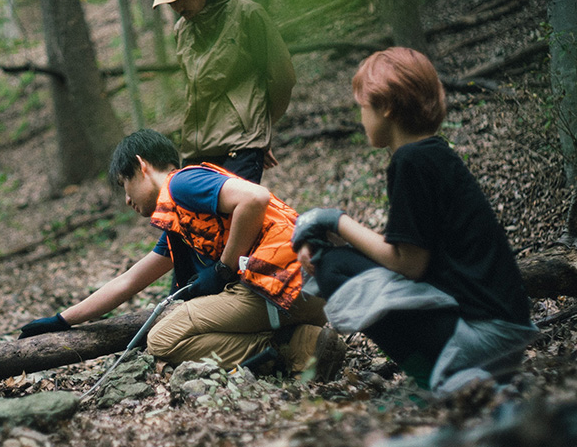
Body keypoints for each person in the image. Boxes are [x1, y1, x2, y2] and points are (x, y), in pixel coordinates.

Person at [290, 47, 537, 395]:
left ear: (386, 107)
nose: (361, 119)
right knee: (339, 258)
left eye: (363, 107)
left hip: (483, 337)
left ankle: (432, 383)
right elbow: (411, 247)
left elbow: (410, 265)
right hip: (502, 330)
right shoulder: (432, 153)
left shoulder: (411, 162)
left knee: (333, 267)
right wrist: (339, 234)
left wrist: (335, 220)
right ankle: (440, 377)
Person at [18, 129, 346, 380]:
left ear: (141, 166)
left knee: (161, 339)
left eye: (124, 184)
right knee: (178, 324)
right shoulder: (181, 220)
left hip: (285, 285)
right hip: (305, 291)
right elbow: (129, 281)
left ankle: (291, 348)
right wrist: (62, 320)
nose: (127, 200)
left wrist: (223, 268)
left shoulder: (181, 184)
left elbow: (255, 197)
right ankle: (305, 340)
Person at [152, 0, 296, 184]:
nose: (177, 7)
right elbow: (196, 93)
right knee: (199, 220)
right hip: (196, 152)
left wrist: (260, 131)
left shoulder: (247, 15)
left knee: (234, 217)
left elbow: (283, 77)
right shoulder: (181, 31)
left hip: (241, 145)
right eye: (170, 2)